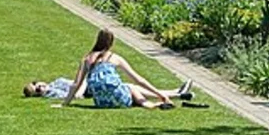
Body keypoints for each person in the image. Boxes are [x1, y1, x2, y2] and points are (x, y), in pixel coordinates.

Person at [61, 29, 190, 110]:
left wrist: (65, 104)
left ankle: (175, 93)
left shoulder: (87, 59)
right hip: (119, 99)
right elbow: (139, 80)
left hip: (101, 102)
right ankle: (154, 102)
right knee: (131, 86)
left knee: (129, 87)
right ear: (111, 43)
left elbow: (76, 84)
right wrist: (160, 95)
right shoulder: (114, 58)